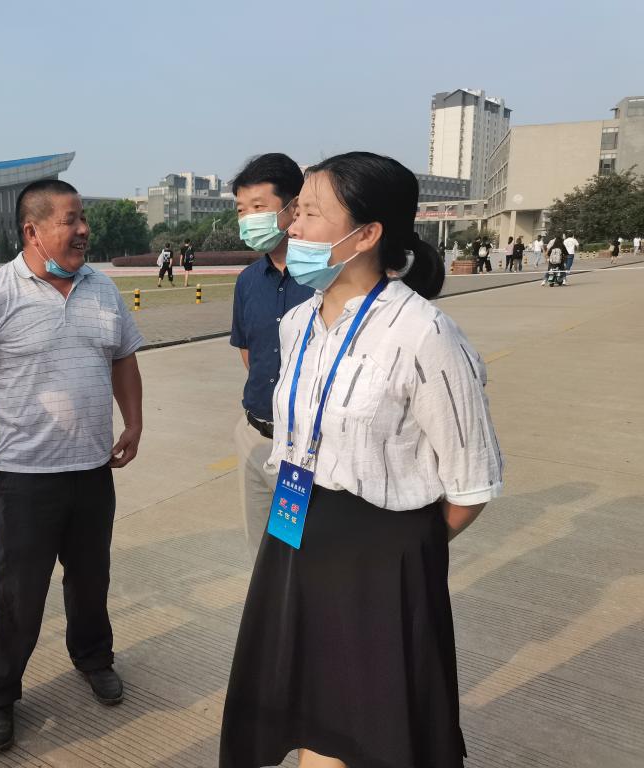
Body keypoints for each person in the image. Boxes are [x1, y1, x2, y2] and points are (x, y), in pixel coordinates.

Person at [220, 152, 502, 768]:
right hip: (297, 532)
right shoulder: (299, 323)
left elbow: (472, 482)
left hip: (382, 559)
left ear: (368, 234)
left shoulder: (423, 332)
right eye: (295, 212)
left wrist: (402, 552)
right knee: (312, 713)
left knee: (374, 727)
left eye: (309, 213)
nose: (292, 226)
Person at [0, 179, 144, 753]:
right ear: (33, 230)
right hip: (26, 476)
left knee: (91, 578)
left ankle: (93, 658)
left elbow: (124, 357)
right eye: (70, 220)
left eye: (83, 219)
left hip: (93, 468)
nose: (83, 230)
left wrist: (133, 421)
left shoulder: (102, 288)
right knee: (17, 593)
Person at [230, 153, 311, 559]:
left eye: (259, 207)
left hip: (303, 447)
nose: (248, 219)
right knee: (261, 556)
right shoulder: (248, 282)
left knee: (294, 552)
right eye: (241, 210)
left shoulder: (323, 278)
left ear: (293, 207)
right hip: (255, 436)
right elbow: (250, 353)